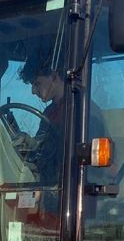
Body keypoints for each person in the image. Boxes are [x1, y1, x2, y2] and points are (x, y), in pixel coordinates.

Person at [17, 51, 105, 185]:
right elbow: (42, 148)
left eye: (37, 83)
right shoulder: (49, 112)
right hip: (51, 182)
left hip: (74, 185)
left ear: (54, 76)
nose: (33, 91)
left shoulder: (85, 112)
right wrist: (29, 144)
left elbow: (91, 167)